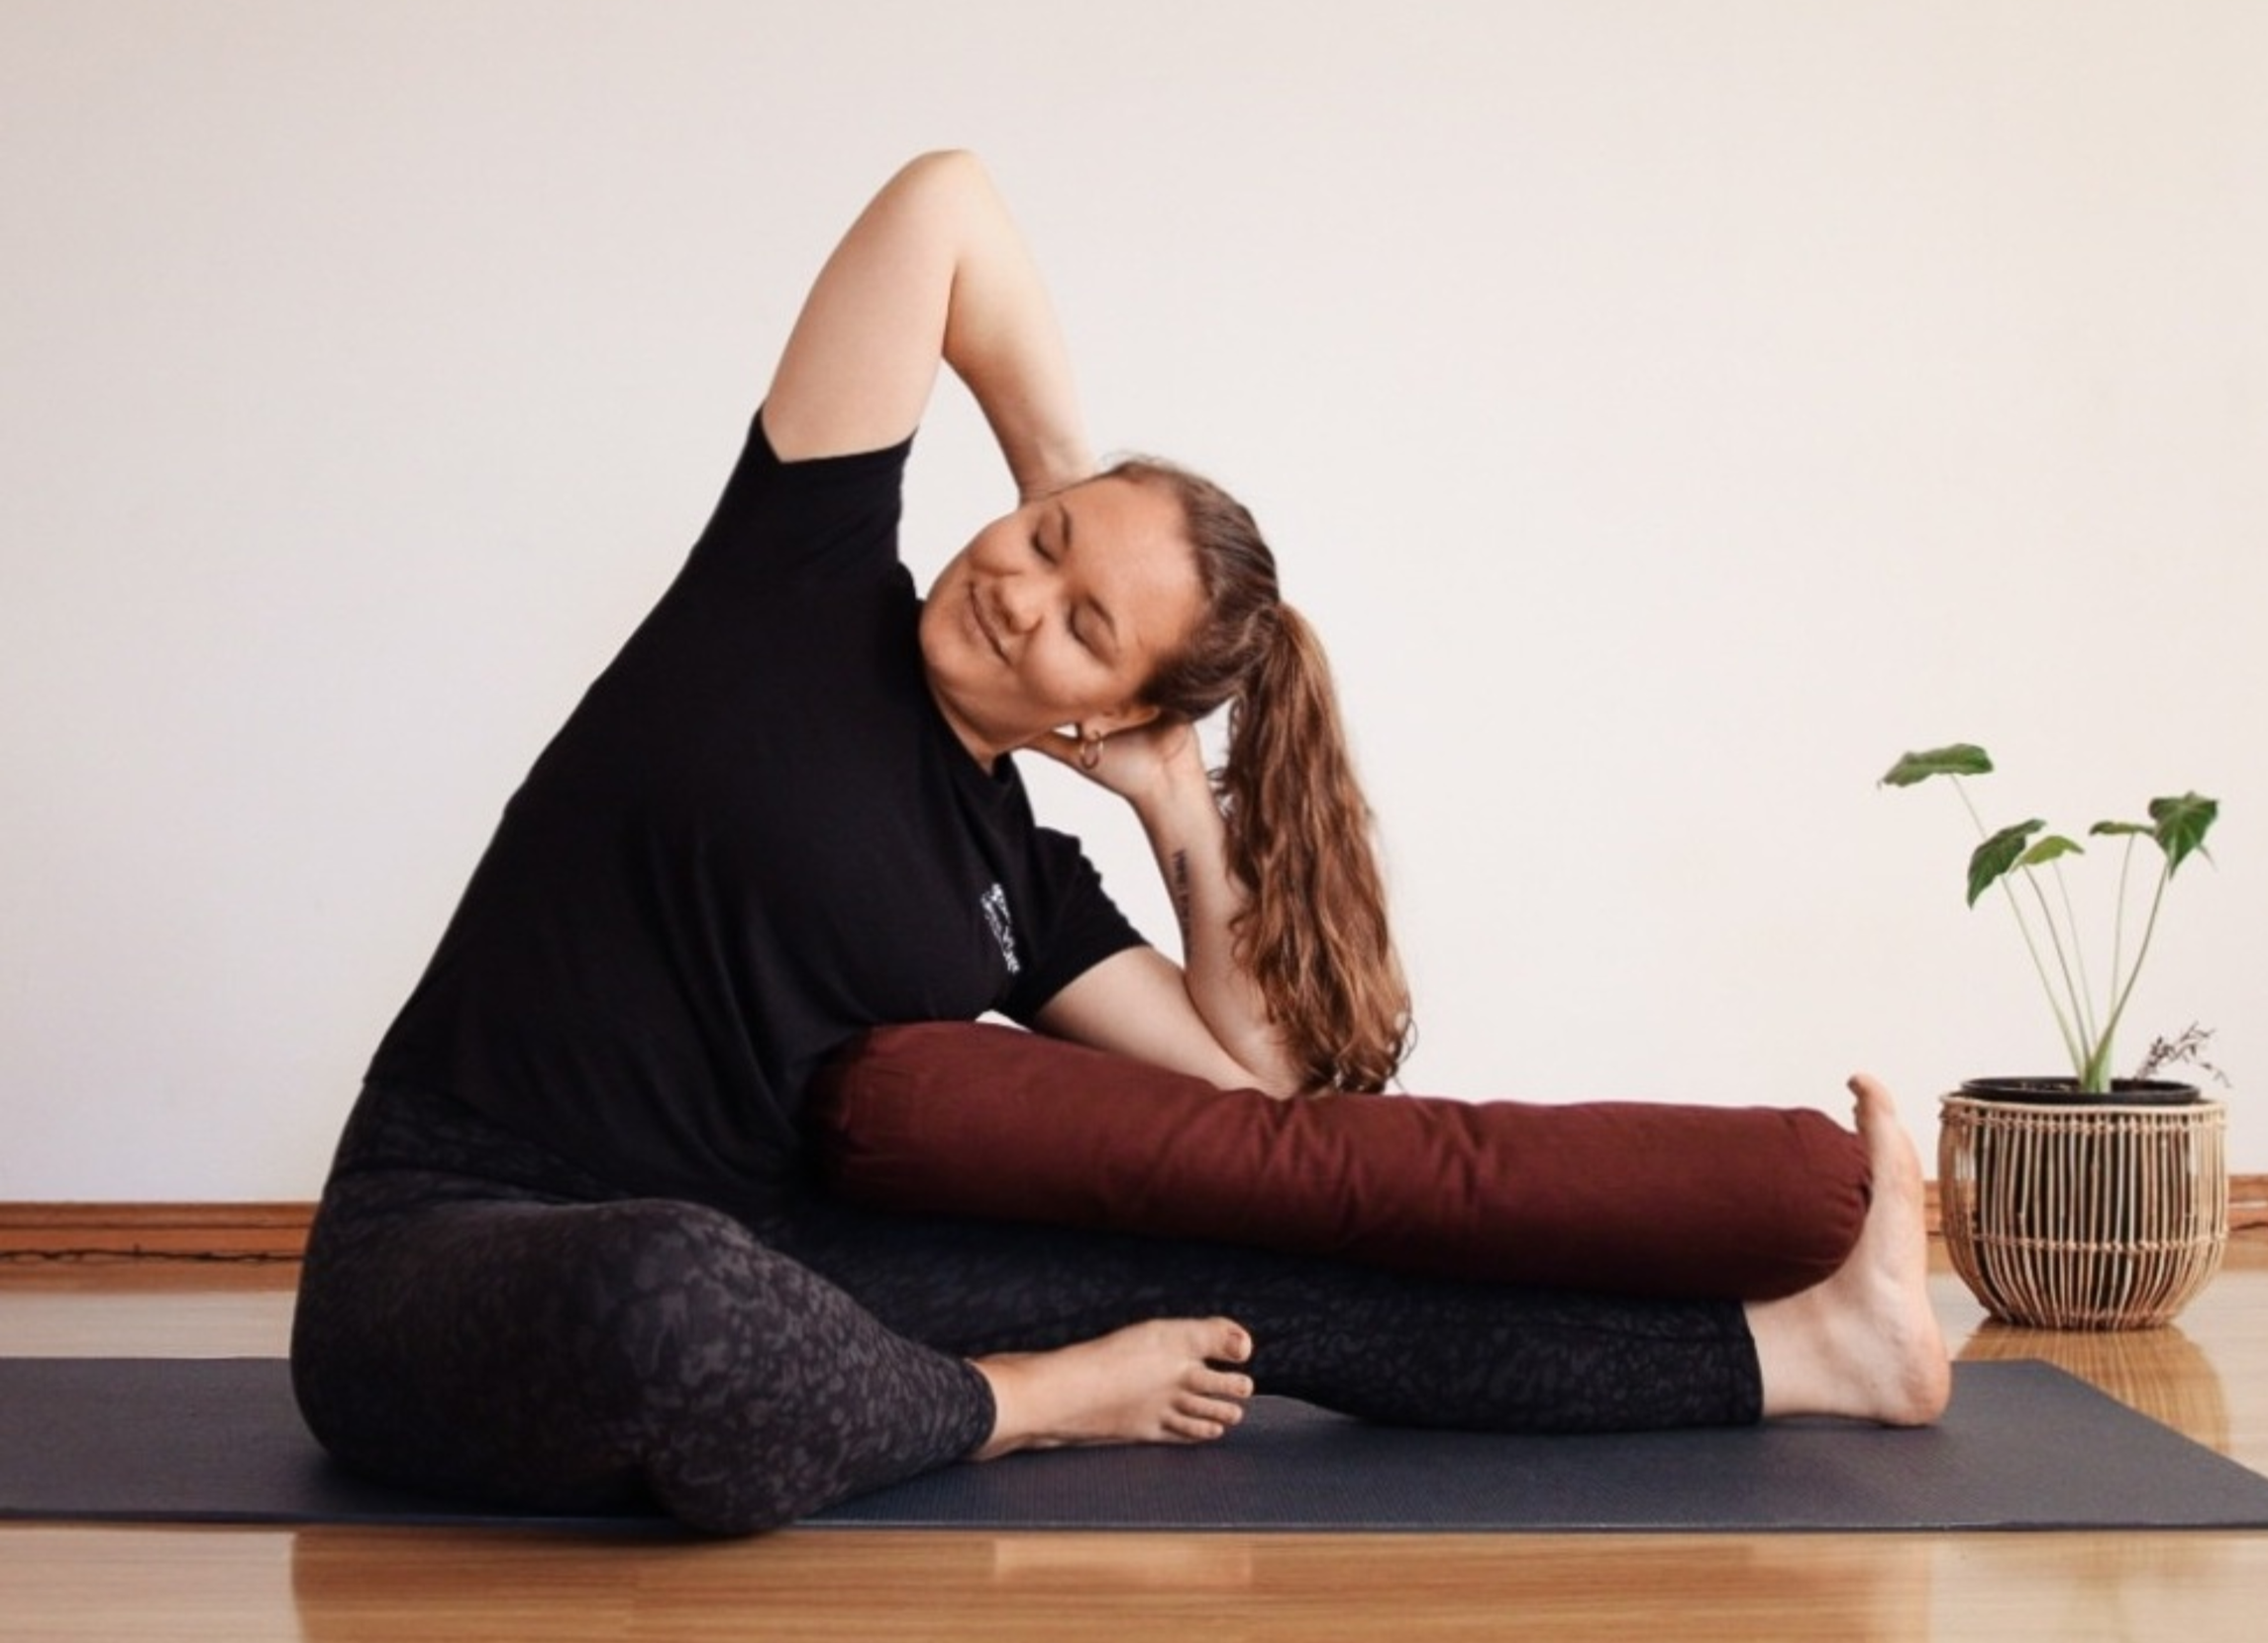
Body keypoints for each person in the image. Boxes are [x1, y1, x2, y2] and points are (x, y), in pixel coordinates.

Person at [291, 152, 1948, 1535]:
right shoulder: (793, 581)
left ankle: (1813, 1356)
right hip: (444, 1228)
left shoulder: (1016, 885)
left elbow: (1255, 1092)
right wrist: (1076, 483)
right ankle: (1021, 1405)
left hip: (782, 1259)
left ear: (1116, 707)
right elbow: (944, 205)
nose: (1018, 591)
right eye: (1043, 542)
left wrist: (1171, 802)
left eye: (1087, 625)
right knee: (664, 1295)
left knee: (1241, 1289)